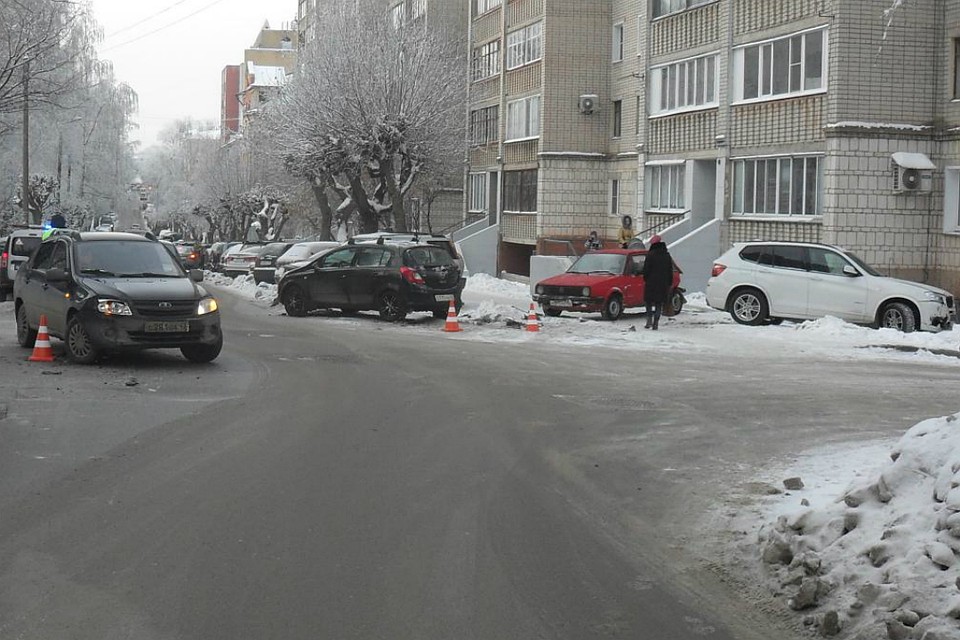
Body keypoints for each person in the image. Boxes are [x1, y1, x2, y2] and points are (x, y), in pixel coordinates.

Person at [641, 235, 673, 330]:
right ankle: (656, 323)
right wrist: (669, 282)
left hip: (651, 283)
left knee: (649, 302)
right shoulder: (667, 255)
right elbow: (669, 270)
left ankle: (649, 320)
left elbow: (646, 270)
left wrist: (646, 278)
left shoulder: (650, 255)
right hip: (662, 284)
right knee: (659, 303)